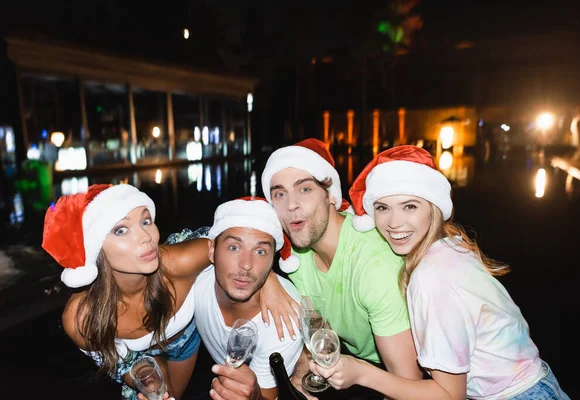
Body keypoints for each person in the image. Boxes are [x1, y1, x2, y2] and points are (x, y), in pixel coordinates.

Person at [309, 145, 570, 400]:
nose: (394, 222)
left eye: (409, 206)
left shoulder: (433, 276)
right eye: (382, 207)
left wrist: (362, 373)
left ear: (433, 207)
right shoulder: (449, 247)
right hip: (535, 383)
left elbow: (448, 394)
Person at [41, 184, 297, 400]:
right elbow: (123, 362)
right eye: (121, 230)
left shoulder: (180, 262)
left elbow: (234, 244)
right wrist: (147, 382)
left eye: (145, 221)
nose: (147, 237)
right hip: (130, 356)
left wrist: (269, 278)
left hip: (183, 342)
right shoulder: (81, 319)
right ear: (95, 247)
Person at [260, 138, 422, 391]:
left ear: (331, 197)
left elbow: (409, 382)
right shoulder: (299, 254)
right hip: (348, 364)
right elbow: (316, 324)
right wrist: (267, 278)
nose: (291, 205)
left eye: (305, 189)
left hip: (390, 375)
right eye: (280, 194)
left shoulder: (374, 265)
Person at [194, 197, 308, 400]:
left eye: (260, 251)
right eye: (234, 248)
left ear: (273, 259)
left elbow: (267, 396)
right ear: (211, 250)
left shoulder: (284, 324)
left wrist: (254, 397)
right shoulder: (195, 281)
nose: (246, 264)